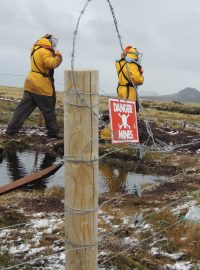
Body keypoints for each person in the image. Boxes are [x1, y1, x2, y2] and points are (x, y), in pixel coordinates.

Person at [5, 34, 63, 138]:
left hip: (30, 82)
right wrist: (59, 56)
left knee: (23, 109)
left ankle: (11, 130)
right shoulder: (45, 51)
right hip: (41, 85)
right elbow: (52, 64)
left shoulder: (35, 48)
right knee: (48, 110)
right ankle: (53, 133)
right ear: (49, 41)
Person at [100, 45, 144, 140]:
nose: (138, 57)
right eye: (137, 55)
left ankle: (118, 136)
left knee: (120, 113)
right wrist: (141, 74)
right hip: (129, 91)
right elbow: (138, 80)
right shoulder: (131, 64)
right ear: (134, 55)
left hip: (122, 89)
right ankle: (107, 135)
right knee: (125, 114)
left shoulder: (121, 62)